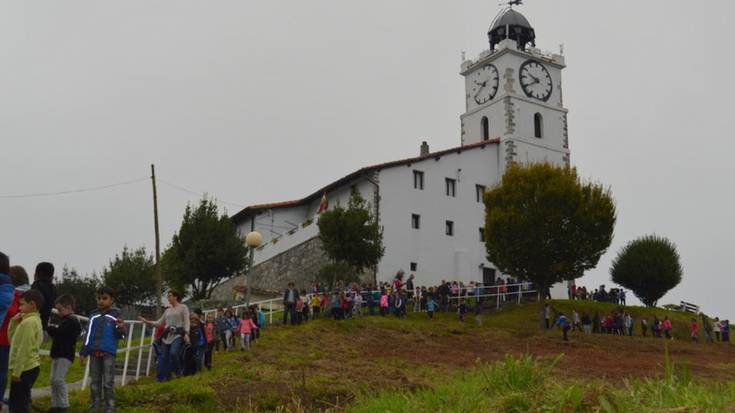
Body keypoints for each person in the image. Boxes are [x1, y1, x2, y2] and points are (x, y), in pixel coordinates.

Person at [80, 287, 125, 413]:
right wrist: (83, 351)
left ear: (112, 300)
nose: (101, 301)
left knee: (108, 381)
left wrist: (121, 329)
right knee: (94, 380)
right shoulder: (93, 315)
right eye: (99, 298)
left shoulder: (116, 315)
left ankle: (110, 406)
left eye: (104, 298)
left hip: (108, 352)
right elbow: (87, 334)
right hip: (94, 352)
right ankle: (94, 405)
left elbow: (120, 336)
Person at [139, 290, 190, 381]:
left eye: (170, 296)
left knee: (173, 353)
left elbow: (186, 321)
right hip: (166, 336)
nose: (168, 298)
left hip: (177, 334)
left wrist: (186, 332)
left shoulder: (183, 307)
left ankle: (178, 373)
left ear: (175, 297)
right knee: (164, 357)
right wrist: (147, 322)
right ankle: (168, 377)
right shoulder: (167, 310)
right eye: (168, 296)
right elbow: (159, 323)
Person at [8, 290, 44, 413]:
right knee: (19, 401)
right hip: (27, 367)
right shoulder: (34, 320)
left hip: (25, 369)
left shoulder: (28, 323)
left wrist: (17, 372)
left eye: (22, 304)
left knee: (17, 405)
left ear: (32, 304)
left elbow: (24, 348)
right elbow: (13, 340)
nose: (19, 308)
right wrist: (13, 322)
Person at [47, 294, 82, 413]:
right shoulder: (67, 320)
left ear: (68, 307)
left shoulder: (72, 320)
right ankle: (55, 404)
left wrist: (50, 328)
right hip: (59, 353)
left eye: (60, 310)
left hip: (65, 354)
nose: (59, 312)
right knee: (53, 380)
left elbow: (61, 333)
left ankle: (63, 405)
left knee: (58, 379)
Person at [0, 263, 27, 411]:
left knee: (2, 371)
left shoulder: (14, 295)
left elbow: (11, 311)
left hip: (4, 337)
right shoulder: (28, 295)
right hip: (11, 338)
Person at [30, 262, 57, 337]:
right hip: (43, 327)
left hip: (32, 325)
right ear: (52, 275)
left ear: (36, 275)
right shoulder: (53, 288)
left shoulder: (36, 286)